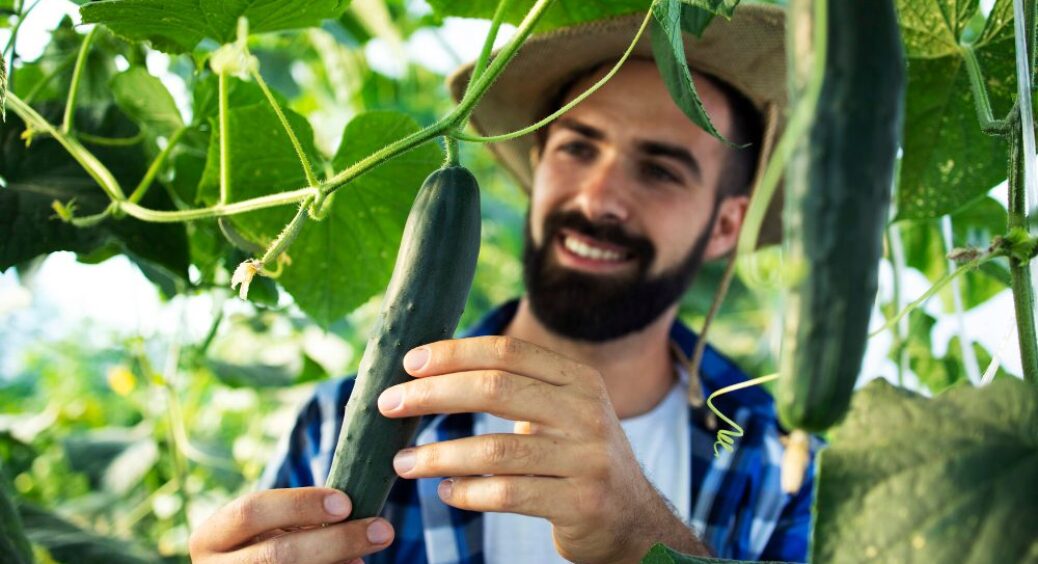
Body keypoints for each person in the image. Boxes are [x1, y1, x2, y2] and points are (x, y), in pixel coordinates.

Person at [189, 5, 817, 563]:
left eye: (658, 170)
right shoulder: (334, 422)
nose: (599, 198)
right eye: (578, 148)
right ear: (538, 163)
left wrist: (640, 537)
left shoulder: (784, 466)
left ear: (726, 224)